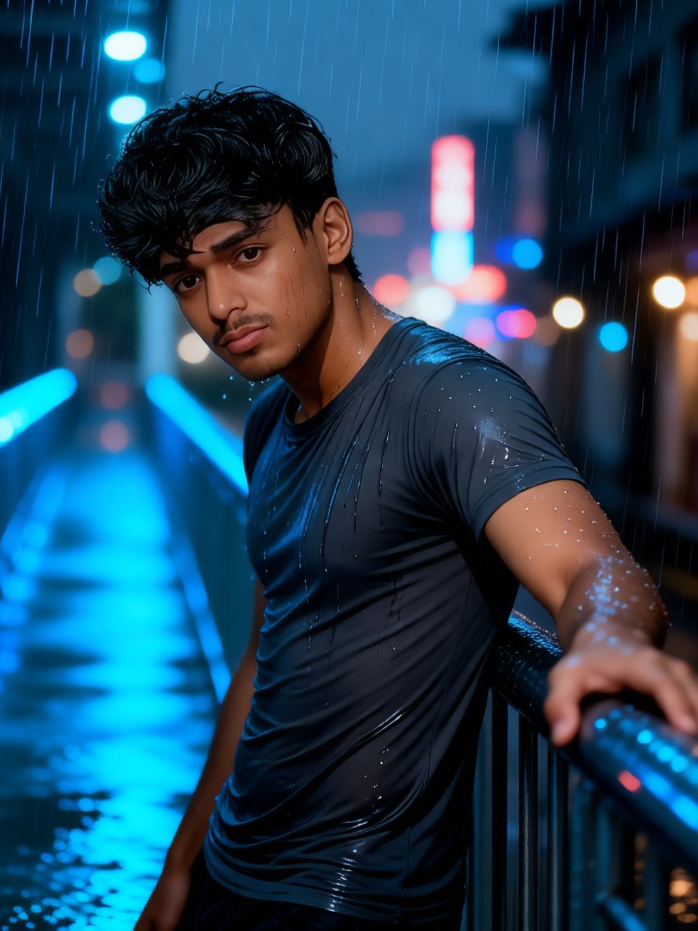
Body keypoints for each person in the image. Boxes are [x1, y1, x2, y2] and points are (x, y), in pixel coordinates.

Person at [98, 87, 698, 930]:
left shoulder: (452, 397)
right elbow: (266, 657)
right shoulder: (270, 418)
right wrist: (181, 866)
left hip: (355, 903)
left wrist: (603, 639)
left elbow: (595, 566)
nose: (219, 305)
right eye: (187, 279)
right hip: (233, 873)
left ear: (330, 233)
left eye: (247, 253)